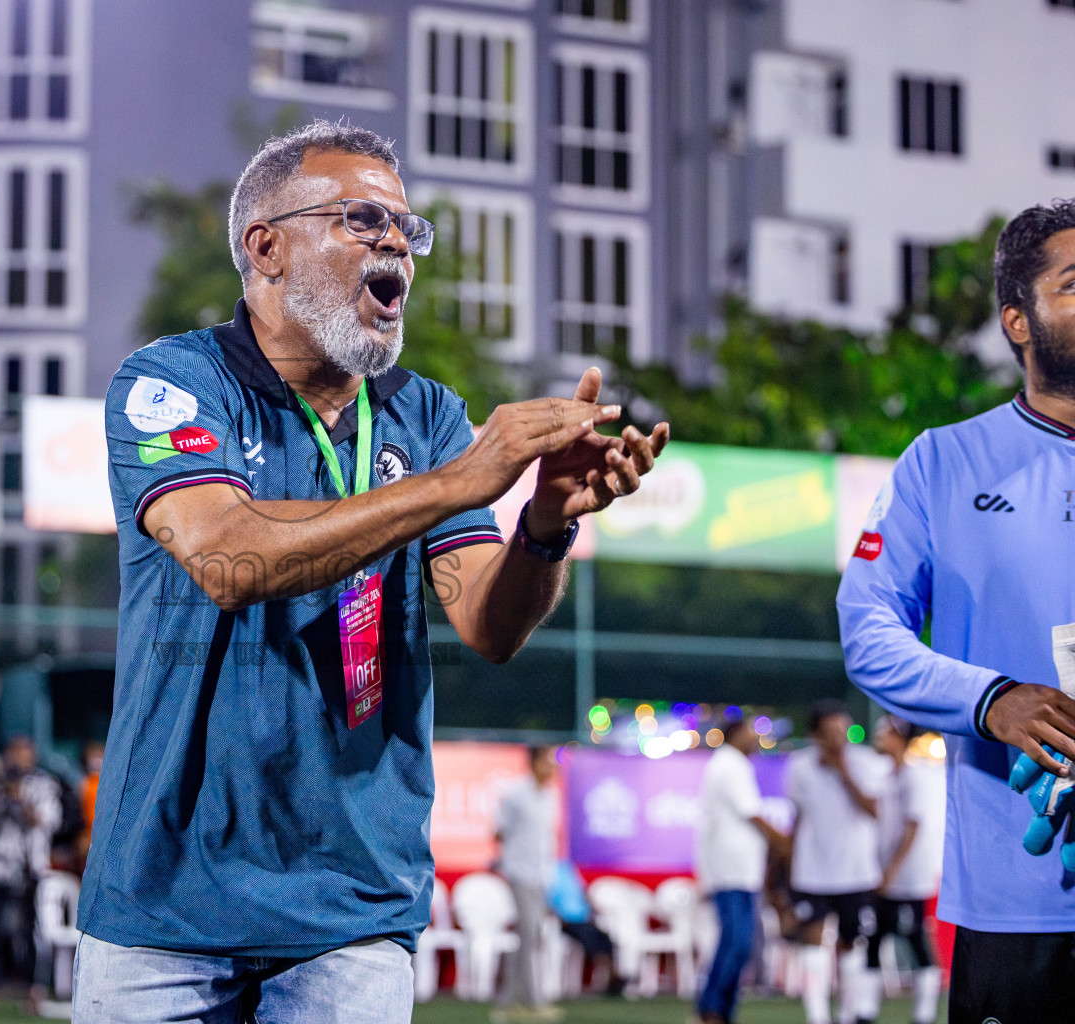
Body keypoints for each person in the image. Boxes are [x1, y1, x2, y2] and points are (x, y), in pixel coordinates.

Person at [76, 120, 669, 1021]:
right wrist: (465, 479)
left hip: (352, 910)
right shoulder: (175, 380)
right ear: (266, 248)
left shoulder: (424, 414)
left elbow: (489, 627)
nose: (395, 239)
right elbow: (227, 558)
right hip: (164, 905)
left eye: (405, 226)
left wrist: (544, 525)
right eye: (360, 219)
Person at [836, 199, 1075, 1022]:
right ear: (1019, 320)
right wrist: (992, 700)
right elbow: (868, 632)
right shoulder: (942, 461)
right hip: (1017, 909)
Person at [785, 701, 884, 1024]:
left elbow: (873, 810)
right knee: (812, 944)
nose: (837, 739)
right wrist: (782, 868)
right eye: (829, 732)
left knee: (851, 944)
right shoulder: (799, 766)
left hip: (856, 871)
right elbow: (796, 818)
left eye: (842, 731)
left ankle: (846, 1014)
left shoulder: (865, 762)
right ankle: (817, 1017)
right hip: (812, 871)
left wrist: (843, 771)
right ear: (815, 734)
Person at [695, 716, 786, 1024]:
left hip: (742, 871)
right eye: (752, 732)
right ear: (735, 735)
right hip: (729, 870)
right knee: (736, 942)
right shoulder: (729, 764)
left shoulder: (735, 765)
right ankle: (710, 1009)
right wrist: (783, 842)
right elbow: (752, 814)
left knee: (740, 943)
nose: (757, 739)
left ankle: (721, 1010)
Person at [851, 715, 941, 1024]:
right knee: (876, 938)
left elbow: (913, 827)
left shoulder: (914, 777)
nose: (879, 736)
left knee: (914, 939)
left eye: (885, 731)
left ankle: (924, 1013)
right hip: (887, 876)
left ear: (900, 737)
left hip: (908, 879)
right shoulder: (888, 777)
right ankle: (866, 1010)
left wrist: (893, 870)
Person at [0, 735, 61, 1005]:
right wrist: (0, 792)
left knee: (30, 929)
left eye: (23, 753)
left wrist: (21, 800)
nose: (17, 759)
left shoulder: (44, 784)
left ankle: (34, 989)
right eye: (13, 753)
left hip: (30, 866)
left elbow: (48, 821)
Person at [493, 745, 563, 1021]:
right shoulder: (515, 794)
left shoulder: (549, 796)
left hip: (540, 873)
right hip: (519, 872)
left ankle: (509, 999)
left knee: (529, 935)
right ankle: (533, 1000)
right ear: (534, 762)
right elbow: (499, 832)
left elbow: (547, 838)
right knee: (530, 932)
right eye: (547, 761)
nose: (552, 768)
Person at [545, 857, 624, 996]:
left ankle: (613, 974)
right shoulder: (543, 871)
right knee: (588, 936)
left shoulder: (566, 868)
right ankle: (613, 973)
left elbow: (582, 891)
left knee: (605, 937)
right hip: (565, 922)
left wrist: (593, 910)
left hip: (582, 918)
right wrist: (558, 916)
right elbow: (545, 899)